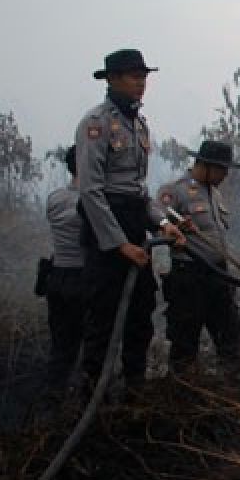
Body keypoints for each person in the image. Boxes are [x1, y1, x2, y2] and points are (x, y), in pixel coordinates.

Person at [74, 49, 184, 395]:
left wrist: (164, 223)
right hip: (107, 228)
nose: (141, 84)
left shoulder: (139, 125)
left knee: (141, 310)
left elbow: (139, 192)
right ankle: (92, 395)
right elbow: (91, 192)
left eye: (144, 78)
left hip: (135, 220)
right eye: (135, 77)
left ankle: (135, 388)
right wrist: (121, 245)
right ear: (112, 79)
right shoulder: (96, 124)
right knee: (104, 316)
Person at [157, 140, 240, 378]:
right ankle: (184, 392)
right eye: (221, 169)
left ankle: (235, 389)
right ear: (205, 165)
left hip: (218, 274)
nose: (225, 175)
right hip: (189, 277)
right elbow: (157, 226)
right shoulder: (174, 191)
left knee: (229, 334)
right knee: (185, 339)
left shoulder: (215, 194)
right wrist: (172, 229)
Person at [43, 146, 89, 389]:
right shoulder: (90, 202)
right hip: (83, 281)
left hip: (57, 278)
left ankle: (53, 404)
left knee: (61, 350)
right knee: (93, 349)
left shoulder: (55, 198)